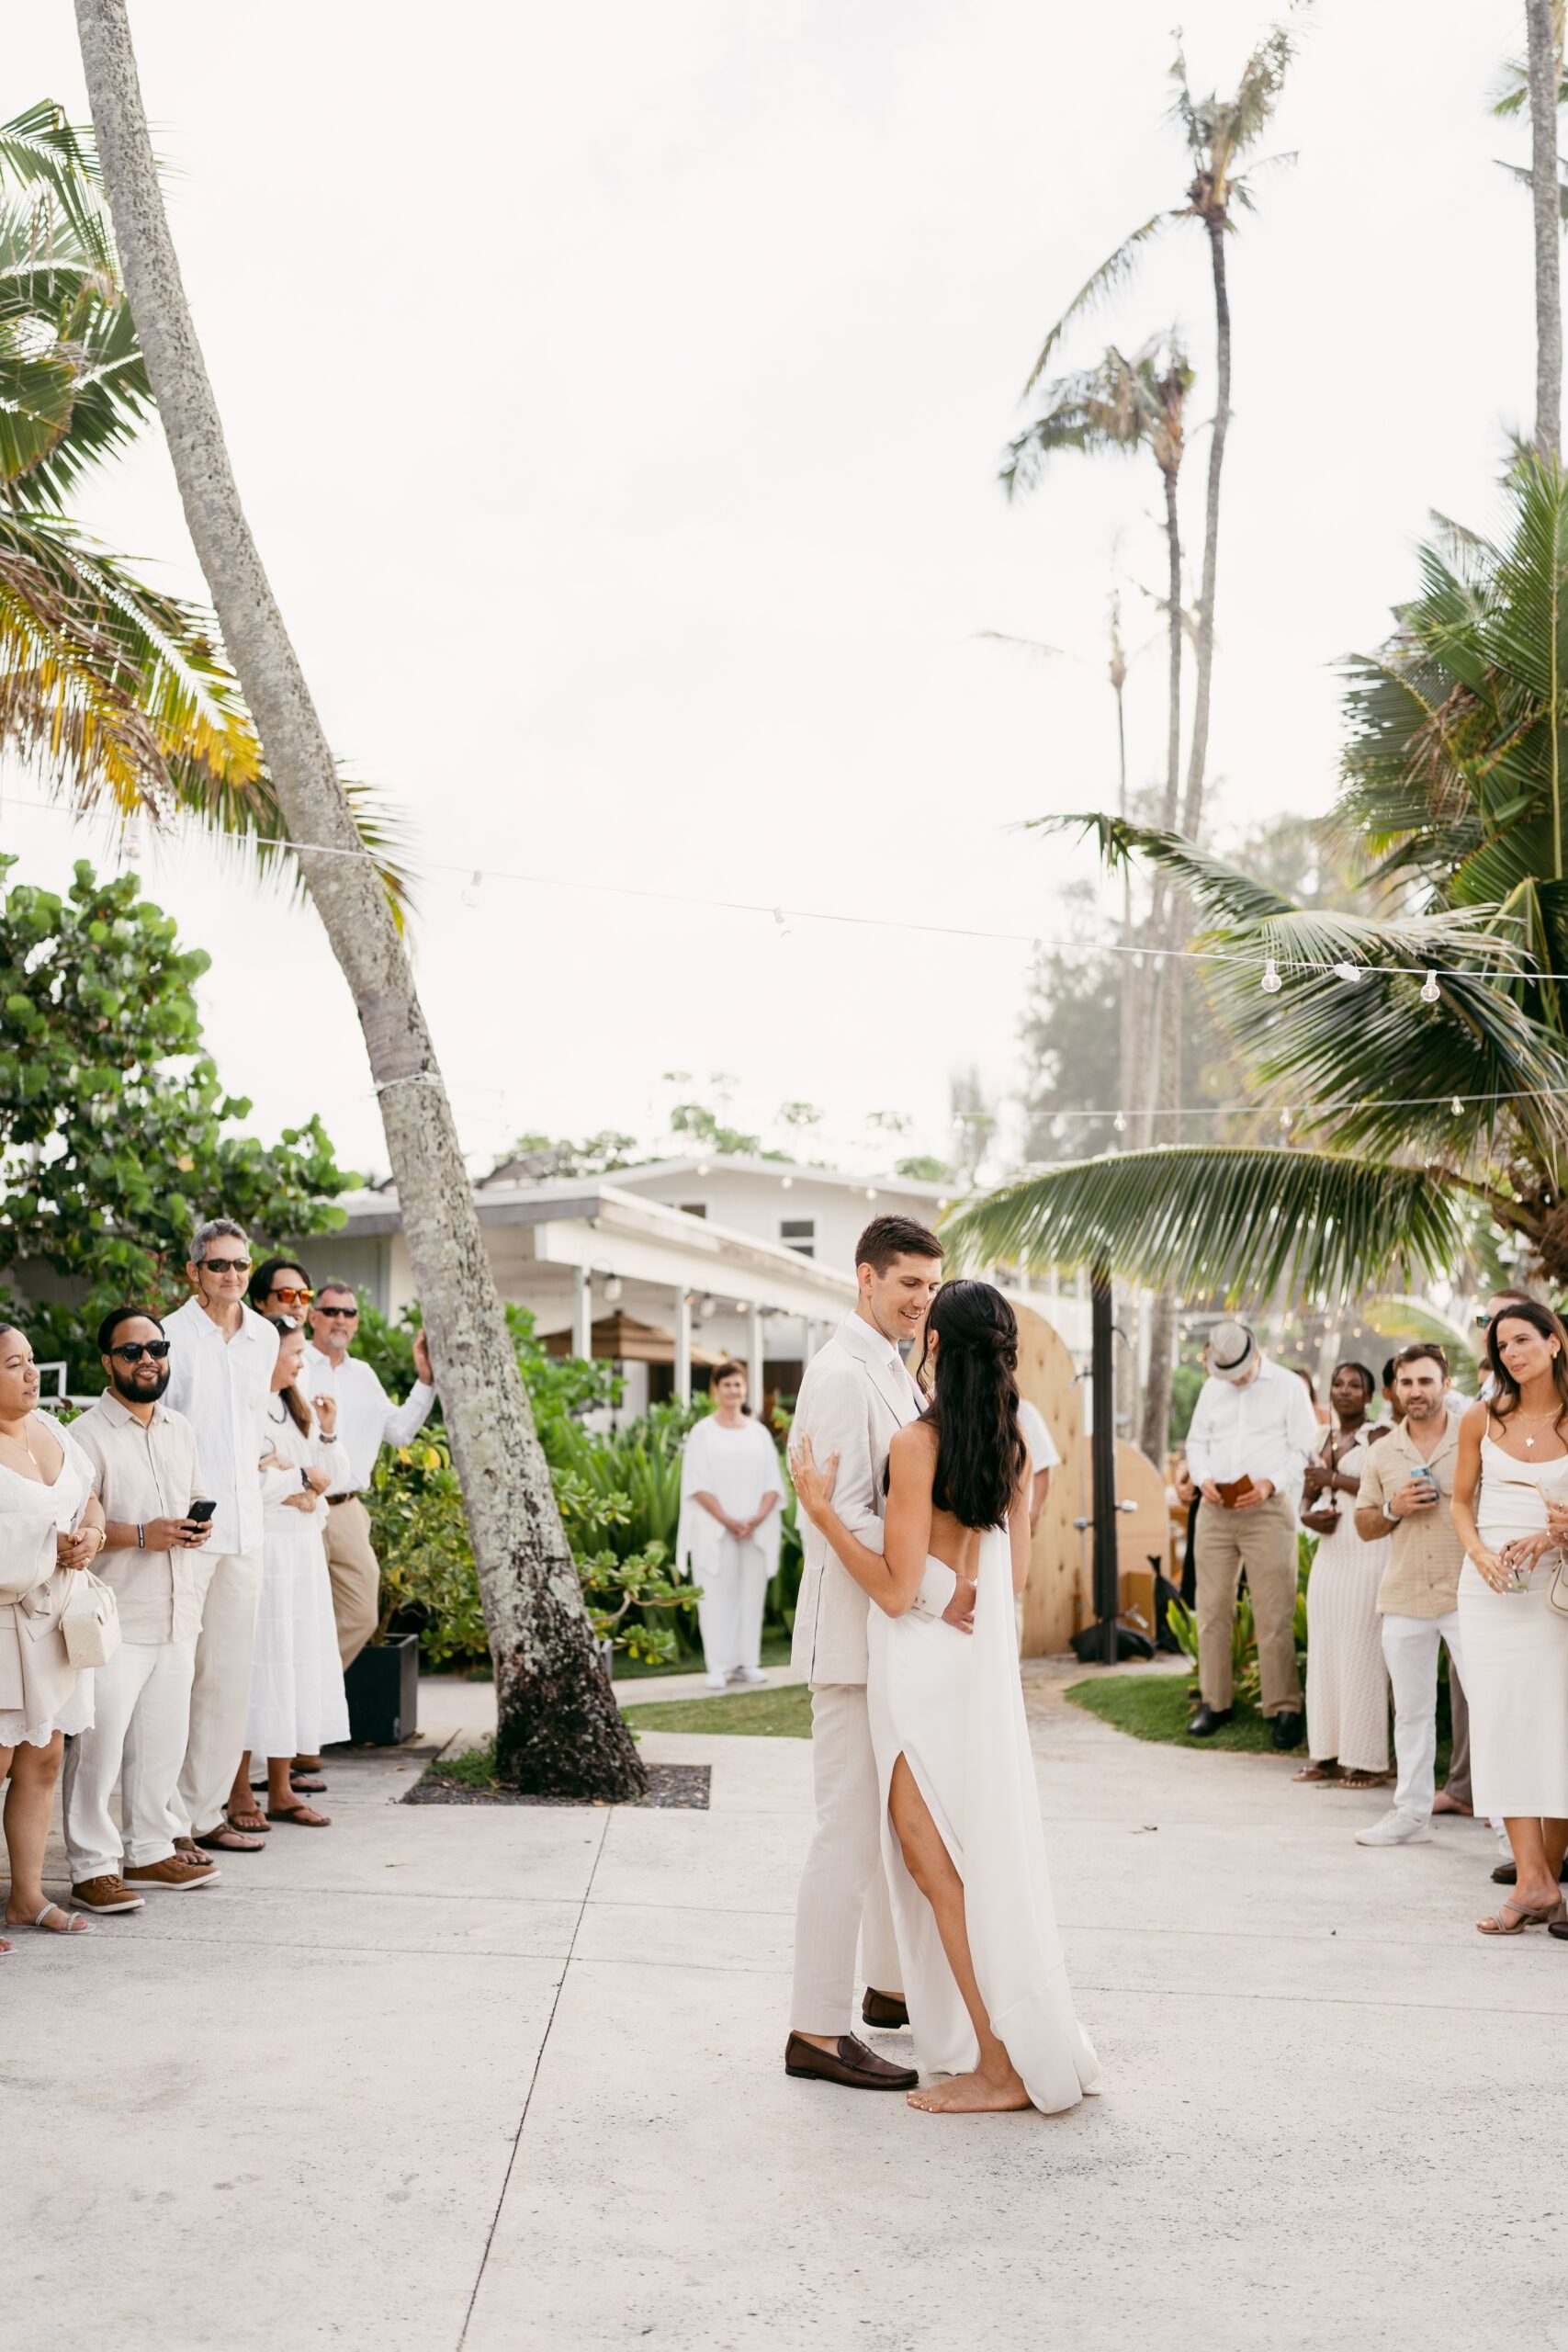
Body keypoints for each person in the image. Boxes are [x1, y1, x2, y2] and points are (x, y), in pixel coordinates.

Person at [790, 1279, 1100, 2115]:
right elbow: (1017, 1579)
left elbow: (893, 1592)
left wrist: (822, 1513)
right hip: (972, 1667)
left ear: (936, 1346)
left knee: (937, 1867)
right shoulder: (1012, 1445)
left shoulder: (917, 1445)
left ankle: (999, 2067)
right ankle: (993, 2042)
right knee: (969, 1861)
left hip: (918, 1673)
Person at [784, 1214, 976, 2094]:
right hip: (853, 1643)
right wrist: (940, 1590)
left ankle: (890, 1992)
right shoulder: (836, 1374)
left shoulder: (894, 1370)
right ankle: (815, 2032)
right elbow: (845, 1515)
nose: (921, 1302)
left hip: (893, 1641)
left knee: (896, 1834)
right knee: (847, 1838)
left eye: (931, 1286)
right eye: (907, 1283)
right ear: (864, 1278)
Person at [63, 1308, 220, 1914]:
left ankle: (150, 1849)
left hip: (177, 1612)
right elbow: (77, 1526)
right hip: (114, 1620)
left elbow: (187, 1500)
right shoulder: (83, 1435)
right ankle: (91, 1866)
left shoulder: (179, 1428)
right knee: (97, 1752)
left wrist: (190, 1531)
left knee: (161, 1746)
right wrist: (144, 1535)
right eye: (132, 1352)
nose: (147, 1359)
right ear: (107, 1361)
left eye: (157, 1347)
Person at [164, 1216, 280, 1858]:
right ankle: (164, 1823)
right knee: (175, 1677)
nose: (231, 1274)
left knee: (228, 1679)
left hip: (247, 1532)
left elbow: (248, 1428)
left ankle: (206, 1813)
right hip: (188, 1531)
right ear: (195, 1272)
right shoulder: (169, 1337)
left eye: (239, 1264)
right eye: (218, 1265)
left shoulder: (264, 1337)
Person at [1451, 1302, 1568, 1932]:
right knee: (1500, 1724)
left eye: (1524, 1340)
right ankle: (1531, 1882)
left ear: (1553, 1343)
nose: (1512, 1353)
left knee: (1552, 1727)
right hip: (1489, 1591)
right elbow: (1460, 1502)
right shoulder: (1479, 1419)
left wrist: (1553, 1540)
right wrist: (1477, 1555)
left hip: (1556, 1593)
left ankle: (1544, 1879)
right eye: (1502, 1346)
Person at [0, 1321, 107, 1945]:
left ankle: (26, 1897)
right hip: (2, 1619)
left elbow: (88, 1500)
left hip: (55, 1621)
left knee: (43, 1757)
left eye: (31, 1360)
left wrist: (89, 1536)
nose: (31, 1373)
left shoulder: (51, 1429)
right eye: (14, 1364)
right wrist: (45, 1546)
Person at [228, 1317, 352, 1831]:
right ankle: (237, 1795)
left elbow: (334, 1478)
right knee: (259, 1665)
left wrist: (326, 1433)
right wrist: (295, 1481)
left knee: (293, 1666)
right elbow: (249, 1481)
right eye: (296, 1353)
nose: (303, 1362)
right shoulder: (248, 1409)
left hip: (302, 1554)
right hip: (270, 1551)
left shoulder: (293, 1408)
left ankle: (280, 1789)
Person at [1353, 1346, 1472, 1849]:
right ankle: (1411, 1814)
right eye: (1406, 1383)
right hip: (1403, 1596)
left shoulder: (1476, 1439)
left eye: (1426, 1381)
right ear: (1395, 1390)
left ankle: (1511, 1828)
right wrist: (1394, 1507)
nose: (1416, 1392)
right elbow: (1363, 1525)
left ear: (1445, 1383)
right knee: (1413, 1711)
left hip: (1469, 1594)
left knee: (1490, 1708)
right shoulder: (1382, 1452)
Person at [1182, 1319, 1317, 1749]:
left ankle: (1284, 1707)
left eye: (1238, 1371)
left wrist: (1270, 1484)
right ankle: (1214, 1702)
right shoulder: (1212, 1388)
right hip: (1215, 1509)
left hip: (1267, 1509)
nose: (1233, 1379)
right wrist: (1202, 1476)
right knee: (1212, 1609)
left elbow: (1303, 1448)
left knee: (1273, 1612)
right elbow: (1195, 1443)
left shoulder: (1289, 1386)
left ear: (1255, 1352)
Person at [302, 1283, 434, 1671]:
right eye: (331, 1311)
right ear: (313, 1318)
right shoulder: (295, 1364)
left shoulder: (364, 1375)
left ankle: (315, 1685)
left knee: (362, 1613)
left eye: (349, 1313)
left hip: (347, 1510)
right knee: (296, 1612)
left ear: (357, 1323)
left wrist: (425, 1381)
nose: (340, 1319)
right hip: (299, 1503)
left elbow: (399, 1432)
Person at [1297, 1363, 1390, 1790]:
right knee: (1325, 1653)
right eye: (1338, 1384)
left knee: (1362, 1654)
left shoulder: (1381, 1435)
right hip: (1331, 1554)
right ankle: (1327, 1754)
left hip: (1367, 1550)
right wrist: (1308, 1516)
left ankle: (1369, 1761)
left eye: (1355, 1385)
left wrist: (1334, 1477)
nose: (1345, 1391)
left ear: (1369, 1395)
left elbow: (1386, 1490)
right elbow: (1307, 1494)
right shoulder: (1321, 1438)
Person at [676, 1363, 783, 1690]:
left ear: (745, 1389)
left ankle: (747, 1662)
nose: (733, 1391)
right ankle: (718, 1665)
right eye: (727, 1385)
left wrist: (756, 1518)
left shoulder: (759, 1433)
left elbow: (772, 1482)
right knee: (716, 1594)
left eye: (738, 1385)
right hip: (716, 1527)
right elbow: (697, 1483)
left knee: (752, 1594)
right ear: (716, 1390)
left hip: (754, 1528)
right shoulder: (702, 1432)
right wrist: (728, 1519)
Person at [1011, 1395, 1059, 1650]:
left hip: (1015, 1522)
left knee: (1012, 1595)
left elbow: (1043, 1467)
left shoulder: (1024, 1412)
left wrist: (1034, 1513)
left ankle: (1013, 1672)